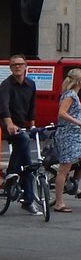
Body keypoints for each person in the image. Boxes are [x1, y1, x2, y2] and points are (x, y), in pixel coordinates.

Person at [0, 54, 39, 211]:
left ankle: (28, 200)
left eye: (20, 64)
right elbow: (3, 106)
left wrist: (33, 126)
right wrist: (9, 123)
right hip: (5, 124)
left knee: (28, 165)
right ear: (10, 68)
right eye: (14, 65)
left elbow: (32, 107)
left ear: (25, 66)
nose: (17, 67)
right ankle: (11, 172)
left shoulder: (31, 84)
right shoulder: (6, 85)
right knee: (22, 140)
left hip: (21, 126)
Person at [52, 68, 81, 213]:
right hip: (67, 134)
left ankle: (73, 184)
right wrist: (79, 123)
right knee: (64, 168)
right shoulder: (70, 95)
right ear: (78, 81)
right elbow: (62, 113)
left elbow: (76, 114)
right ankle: (59, 202)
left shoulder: (74, 95)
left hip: (75, 133)